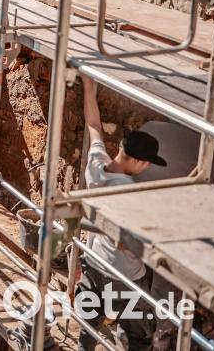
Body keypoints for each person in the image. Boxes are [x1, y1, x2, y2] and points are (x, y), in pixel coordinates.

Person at [76, 76, 165, 350]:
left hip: (93, 262)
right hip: (123, 276)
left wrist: (87, 83)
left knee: (88, 324)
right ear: (138, 161)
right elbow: (125, 241)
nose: (147, 169)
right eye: (147, 164)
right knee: (140, 336)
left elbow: (93, 125)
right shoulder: (128, 192)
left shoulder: (96, 164)